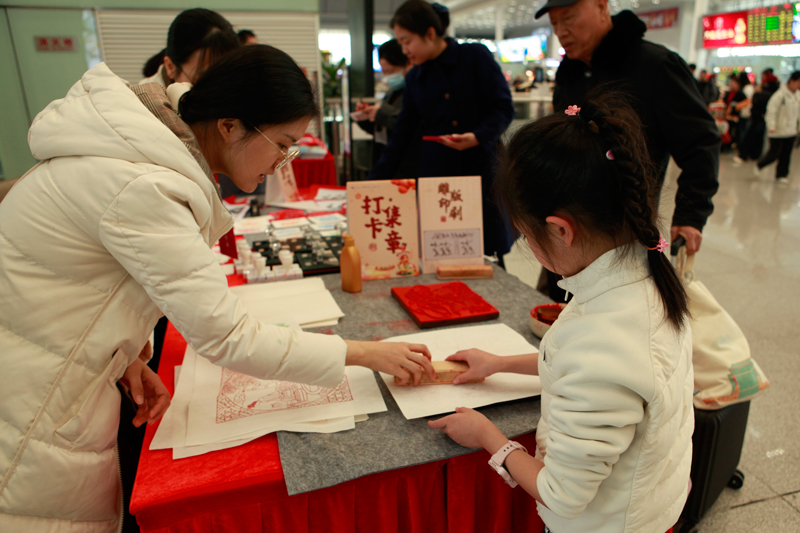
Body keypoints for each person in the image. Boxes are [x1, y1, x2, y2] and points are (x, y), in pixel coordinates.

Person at [0, 44, 436, 532]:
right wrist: (365, 354)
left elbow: (84, 284)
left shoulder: (137, 158)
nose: (284, 162)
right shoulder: (142, 185)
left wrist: (124, 357)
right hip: (30, 404)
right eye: (282, 143)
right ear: (230, 126)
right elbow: (228, 337)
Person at [429, 95, 693, 533]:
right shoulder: (645, 275)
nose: (527, 247)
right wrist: (499, 364)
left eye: (527, 235)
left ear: (560, 229)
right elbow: (608, 373)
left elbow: (561, 495)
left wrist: (487, 437)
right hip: (651, 506)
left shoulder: (602, 335)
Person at [534, 0, 719, 300]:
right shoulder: (570, 72)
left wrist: (691, 215)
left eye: (568, 18)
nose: (561, 31)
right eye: (554, 24)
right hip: (565, 231)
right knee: (549, 314)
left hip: (625, 235)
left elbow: (700, 144)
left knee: (611, 323)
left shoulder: (655, 66)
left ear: (601, 6)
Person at [368, 0, 516, 263]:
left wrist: (478, 136)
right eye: (400, 43)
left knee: (487, 248)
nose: (404, 50)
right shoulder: (415, 78)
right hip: (438, 176)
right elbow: (402, 133)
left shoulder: (474, 57)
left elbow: (503, 108)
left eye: (406, 41)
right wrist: (372, 183)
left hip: (480, 168)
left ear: (430, 34)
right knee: (441, 249)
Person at [355, 39, 413, 177]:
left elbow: (407, 124)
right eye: (384, 72)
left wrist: (380, 113)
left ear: (408, 64)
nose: (388, 77)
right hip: (385, 157)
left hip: (404, 164)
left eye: (391, 71)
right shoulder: (392, 91)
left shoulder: (415, 92)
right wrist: (366, 116)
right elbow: (381, 129)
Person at [140, 8, 239, 86]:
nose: (217, 89)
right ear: (170, 67)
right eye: (202, 81)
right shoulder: (144, 105)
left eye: (226, 77)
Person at [756, 71, 800, 186]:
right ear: (792, 81)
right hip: (777, 131)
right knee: (774, 153)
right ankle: (760, 164)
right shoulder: (779, 95)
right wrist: (771, 125)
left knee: (786, 154)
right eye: (798, 82)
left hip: (791, 131)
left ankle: (782, 174)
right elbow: (771, 111)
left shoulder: (797, 96)